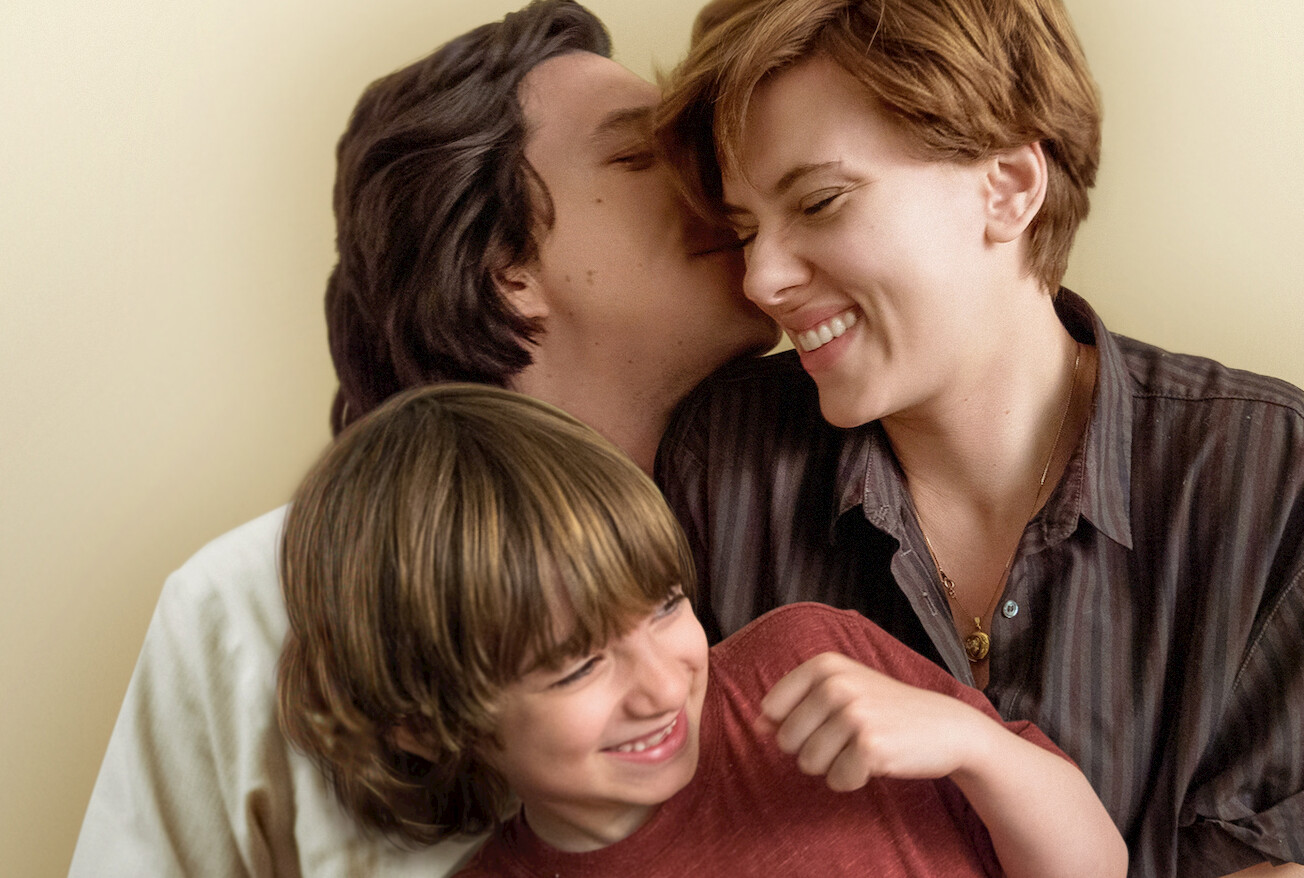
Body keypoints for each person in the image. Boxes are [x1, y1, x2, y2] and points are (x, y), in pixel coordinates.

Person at [67, 2, 776, 874]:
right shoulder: (250, 605)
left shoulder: (830, 506)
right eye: (637, 155)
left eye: (664, 604)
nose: (721, 175)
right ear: (504, 268)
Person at [651, 1, 1304, 875]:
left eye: (820, 202)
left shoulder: (1273, 483)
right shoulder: (723, 464)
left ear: (1009, 187)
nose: (761, 280)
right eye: (744, 231)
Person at [277, 382, 1124, 877]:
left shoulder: (812, 660)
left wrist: (974, 747)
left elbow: (1095, 867)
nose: (660, 684)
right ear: (424, 725)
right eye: (576, 668)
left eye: (663, 607)